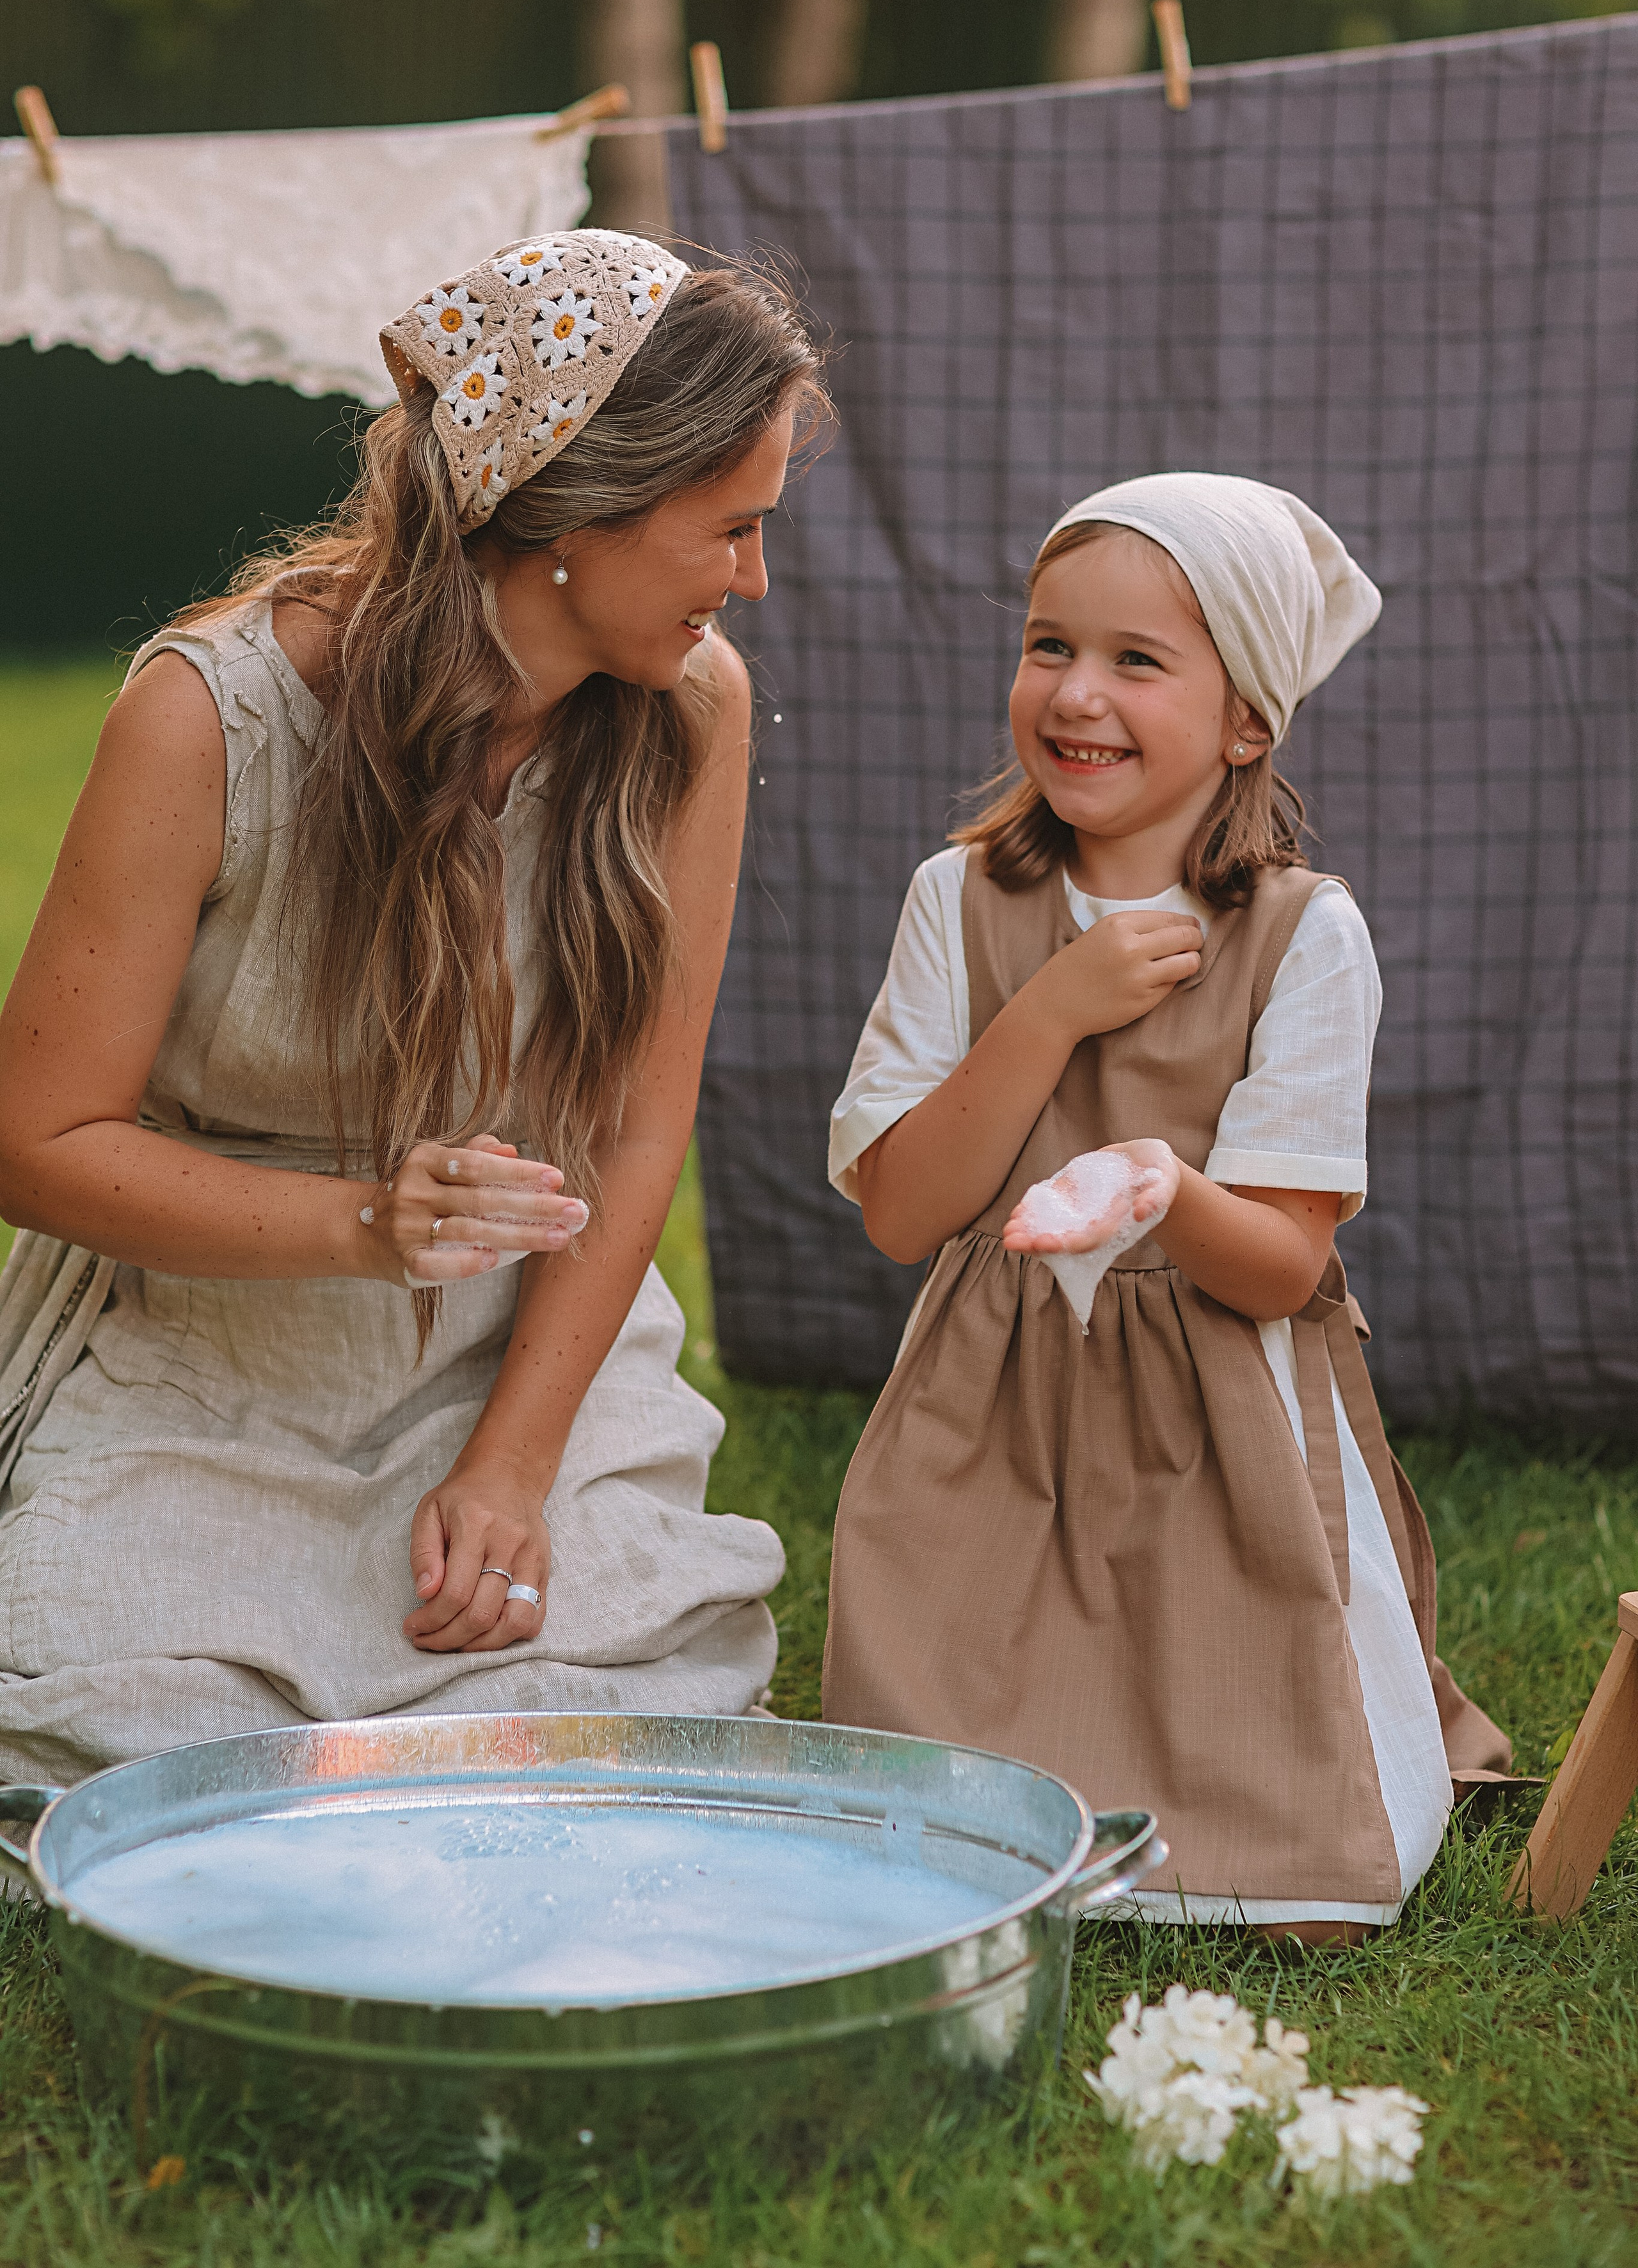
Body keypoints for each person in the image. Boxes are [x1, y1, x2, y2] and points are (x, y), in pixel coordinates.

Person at [0, 229, 828, 1787]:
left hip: (516, 1347)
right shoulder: (207, 719)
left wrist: (511, 1466)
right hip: (210, 1345)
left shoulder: (688, 711)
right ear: (579, 508)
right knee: (133, 1740)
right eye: (731, 530)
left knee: (641, 1710)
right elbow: (35, 1141)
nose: (752, 581)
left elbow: (642, 1127)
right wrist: (367, 1228)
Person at [822, 472, 1509, 1939]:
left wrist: (1159, 1186)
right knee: (935, 1836)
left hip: (1218, 1424)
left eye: (1136, 661)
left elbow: (1271, 1270)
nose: (1075, 693)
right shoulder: (959, 903)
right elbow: (900, 1213)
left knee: (1294, 1874)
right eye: (1046, 644)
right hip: (988, 1415)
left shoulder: (1298, 935)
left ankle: (1259, 1814)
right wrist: (1049, 1014)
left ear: (1244, 718)